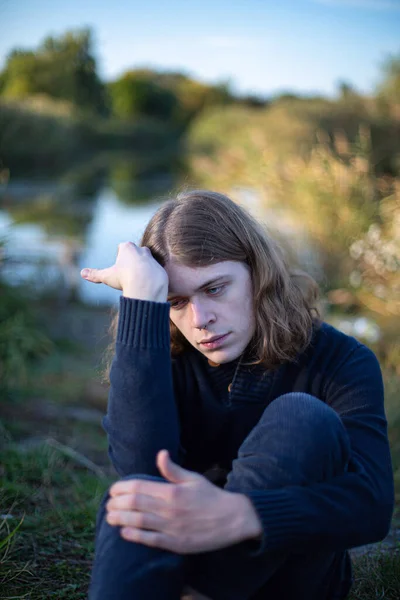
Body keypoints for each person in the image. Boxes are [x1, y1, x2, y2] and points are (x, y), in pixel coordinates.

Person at [81, 190, 394, 600]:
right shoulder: (166, 358)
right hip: (175, 561)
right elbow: (141, 468)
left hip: (290, 577)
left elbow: (371, 505)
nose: (200, 320)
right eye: (175, 301)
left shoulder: (340, 361)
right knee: (136, 495)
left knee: (302, 417)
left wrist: (243, 515)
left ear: (257, 271)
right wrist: (141, 301)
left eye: (215, 289)